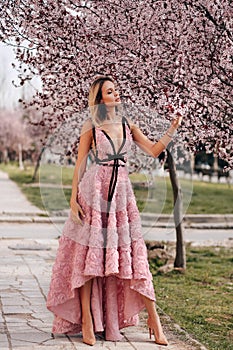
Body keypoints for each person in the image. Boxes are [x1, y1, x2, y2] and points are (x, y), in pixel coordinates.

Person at [46, 75, 182, 346]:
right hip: (93, 191)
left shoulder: (127, 123)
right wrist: (73, 199)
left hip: (121, 193)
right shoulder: (92, 125)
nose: (116, 94)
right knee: (89, 256)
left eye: (116, 90)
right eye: (110, 91)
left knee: (133, 254)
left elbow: (154, 150)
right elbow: (80, 165)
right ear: (100, 99)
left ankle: (153, 320)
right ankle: (86, 319)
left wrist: (172, 129)